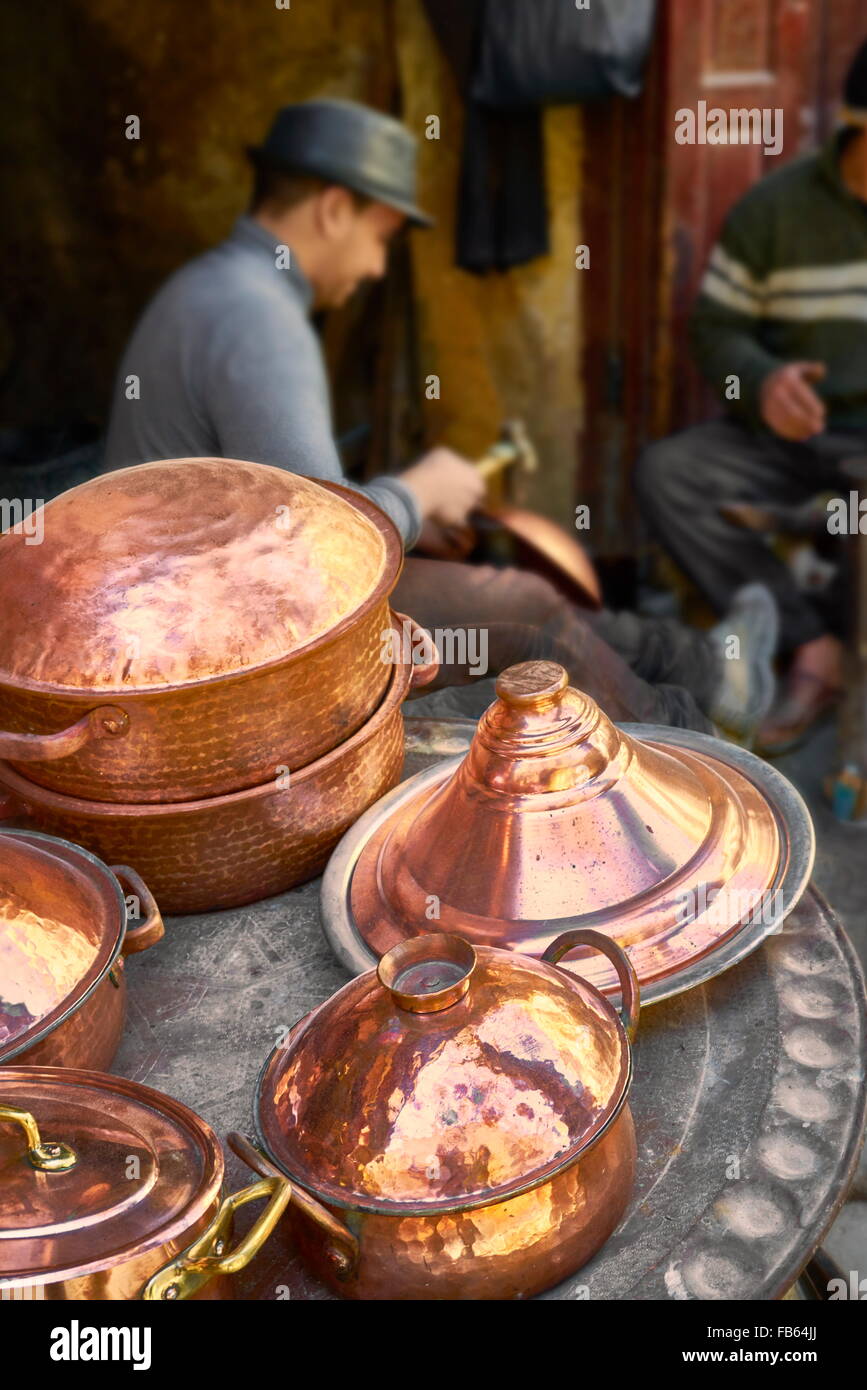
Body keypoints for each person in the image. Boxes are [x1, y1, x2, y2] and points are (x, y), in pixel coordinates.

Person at [105, 98, 773, 734]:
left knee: (520, 600)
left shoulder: (210, 288)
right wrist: (414, 496)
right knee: (525, 609)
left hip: (221, 609)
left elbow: (280, 522)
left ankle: (710, 671)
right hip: (234, 651)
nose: (373, 269)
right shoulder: (257, 318)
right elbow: (322, 560)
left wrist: (405, 522)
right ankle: (690, 752)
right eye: (379, 239)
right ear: (334, 209)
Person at [636, 39, 867, 752]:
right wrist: (761, 382)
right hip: (791, 443)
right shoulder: (775, 210)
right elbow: (715, 329)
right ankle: (812, 647)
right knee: (670, 472)